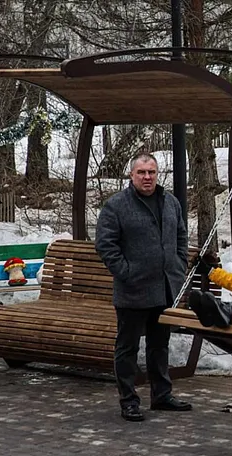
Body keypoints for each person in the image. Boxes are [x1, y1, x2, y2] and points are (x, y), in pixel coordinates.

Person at [95, 153, 193, 422]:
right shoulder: (116, 206)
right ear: (131, 175)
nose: (147, 177)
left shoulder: (170, 202)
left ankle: (162, 395)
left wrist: (178, 263)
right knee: (127, 348)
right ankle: (129, 400)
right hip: (132, 291)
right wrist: (126, 272)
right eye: (141, 172)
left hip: (164, 288)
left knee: (159, 345)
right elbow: (105, 245)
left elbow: (181, 235)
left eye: (151, 172)